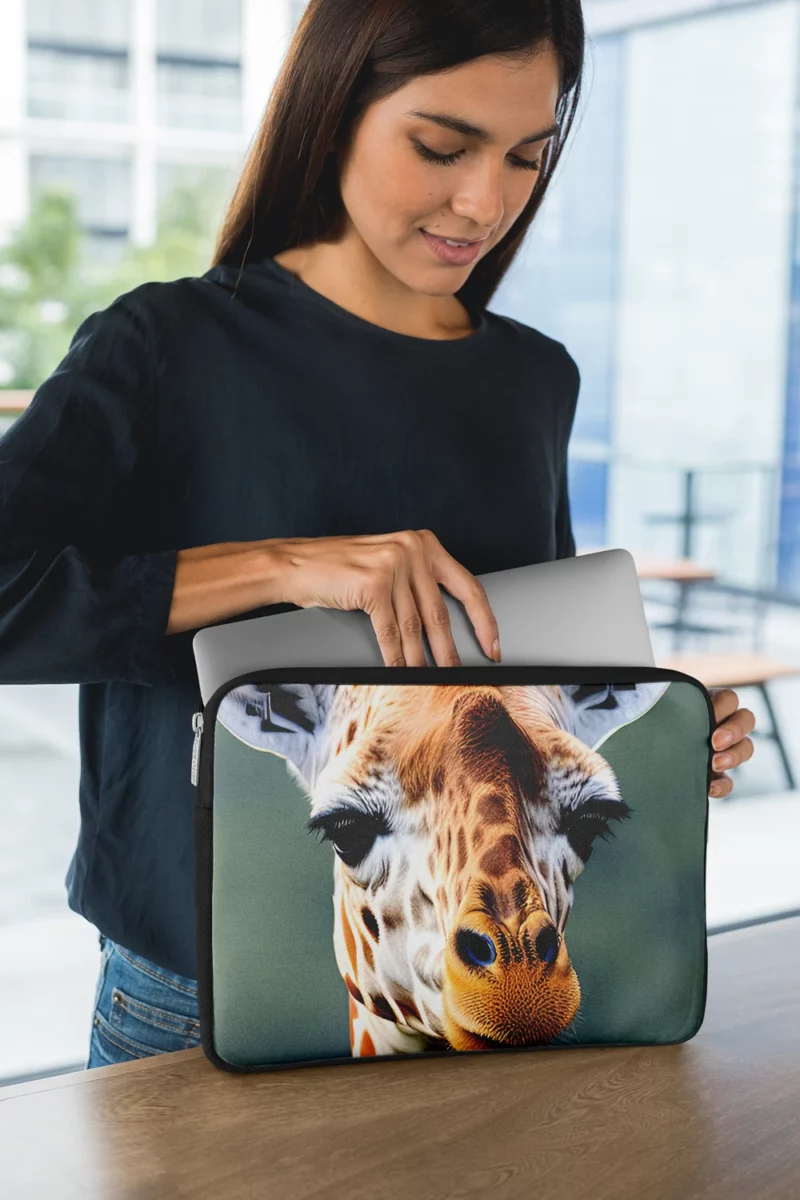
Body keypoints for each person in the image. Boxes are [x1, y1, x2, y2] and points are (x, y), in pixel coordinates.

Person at [0, 0, 755, 1069]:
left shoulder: (535, 379)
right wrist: (290, 567)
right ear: (332, 106)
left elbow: (515, 669)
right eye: (440, 146)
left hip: (478, 996)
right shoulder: (163, 345)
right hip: (194, 997)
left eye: (525, 158)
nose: (482, 201)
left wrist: (673, 736)